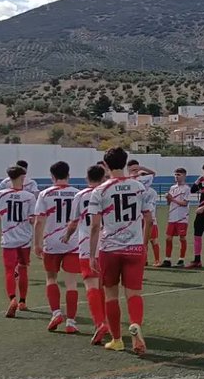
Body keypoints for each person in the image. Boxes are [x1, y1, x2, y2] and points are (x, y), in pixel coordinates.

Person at [88, 145, 155, 355]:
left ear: (106, 165)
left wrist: (91, 254)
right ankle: (135, 325)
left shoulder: (99, 191)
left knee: (111, 295)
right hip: (134, 247)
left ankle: (117, 339)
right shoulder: (139, 187)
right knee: (134, 293)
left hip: (109, 249)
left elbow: (95, 226)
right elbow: (149, 219)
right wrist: (143, 245)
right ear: (126, 163)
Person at [33, 160, 81, 333]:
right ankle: (71, 322)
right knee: (71, 282)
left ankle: (56, 312)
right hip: (72, 243)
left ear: (52, 177)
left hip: (51, 243)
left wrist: (37, 243)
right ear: (68, 175)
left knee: (51, 279)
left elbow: (39, 221)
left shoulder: (45, 194)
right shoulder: (78, 194)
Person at [66, 164, 110, 344]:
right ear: (103, 177)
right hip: (108, 243)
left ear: (87, 177)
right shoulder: (108, 193)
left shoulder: (80, 195)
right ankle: (106, 321)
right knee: (103, 286)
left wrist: (67, 235)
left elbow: (74, 222)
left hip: (86, 244)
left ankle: (99, 323)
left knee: (90, 284)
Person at [0, 164, 38, 316]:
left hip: (8, 238)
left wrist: (6, 218)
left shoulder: (1, 194)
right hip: (24, 239)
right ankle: (23, 301)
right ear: (22, 178)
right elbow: (33, 219)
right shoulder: (29, 196)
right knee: (23, 269)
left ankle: (12, 299)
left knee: (9, 271)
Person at [127, 159, 161, 265]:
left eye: (137, 169)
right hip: (135, 218)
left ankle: (157, 260)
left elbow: (153, 173)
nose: (136, 171)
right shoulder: (128, 182)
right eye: (133, 170)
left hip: (149, 216)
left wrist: (141, 169)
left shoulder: (146, 182)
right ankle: (143, 259)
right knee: (136, 240)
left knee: (153, 239)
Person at [162, 168, 192, 267]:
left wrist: (172, 199)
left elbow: (184, 203)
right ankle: (167, 259)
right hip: (172, 217)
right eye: (175, 174)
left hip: (182, 217)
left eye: (178, 174)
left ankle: (181, 259)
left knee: (182, 238)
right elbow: (169, 203)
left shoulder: (186, 188)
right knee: (168, 238)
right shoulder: (172, 188)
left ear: (184, 176)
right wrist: (168, 199)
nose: (176, 176)